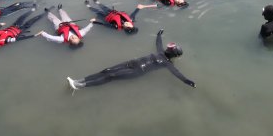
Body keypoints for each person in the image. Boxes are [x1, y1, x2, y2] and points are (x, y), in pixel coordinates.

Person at [66, 30, 195, 90]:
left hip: (136, 71)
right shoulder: (161, 51)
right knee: (106, 70)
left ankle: (80, 86)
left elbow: (177, 73)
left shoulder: (167, 64)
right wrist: (158, 35)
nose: (169, 46)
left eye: (172, 47)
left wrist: (187, 81)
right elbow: (158, 43)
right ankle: (79, 80)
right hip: (131, 63)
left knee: (111, 75)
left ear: (173, 52)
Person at [85, 0, 156, 34]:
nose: (127, 24)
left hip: (106, 17)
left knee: (97, 11)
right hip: (113, 12)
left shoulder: (116, 27)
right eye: (130, 25)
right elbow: (133, 14)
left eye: (127, 26)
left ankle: (88, 6)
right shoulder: (131, 20)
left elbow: (104, 24)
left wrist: (95, 21)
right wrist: (138, 8)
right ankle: (97, 2)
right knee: (104, 7)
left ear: (125, 29)